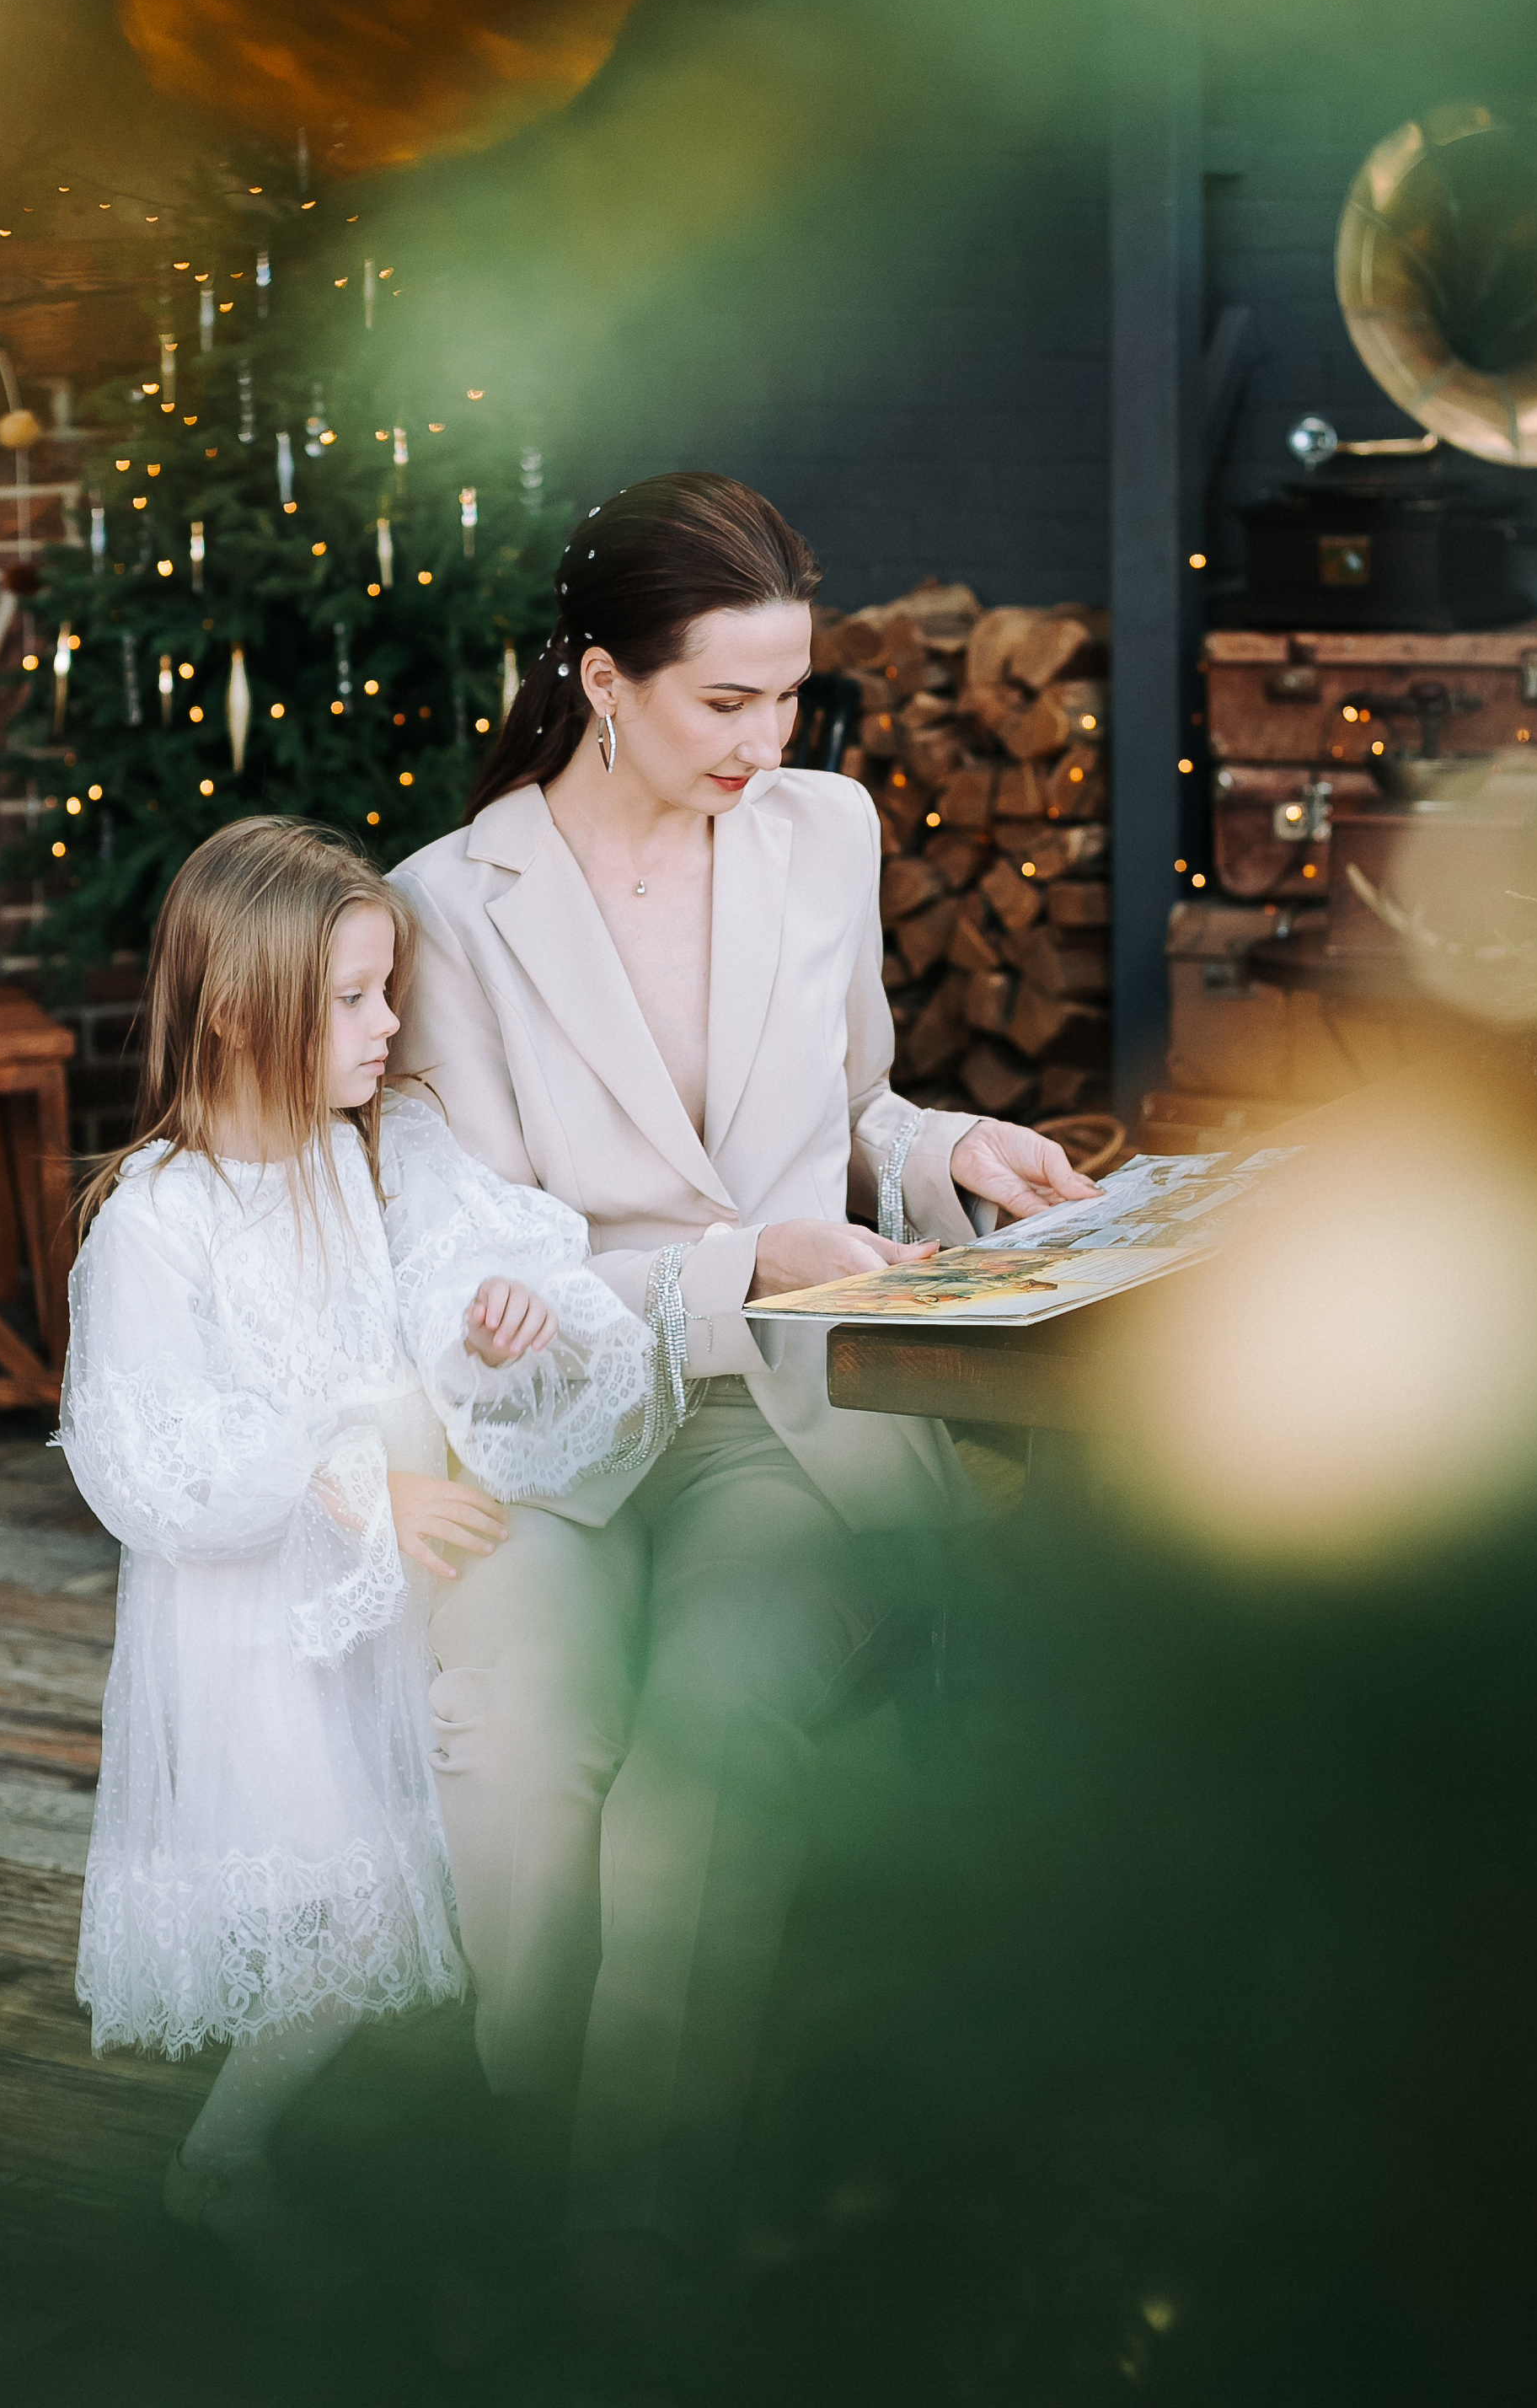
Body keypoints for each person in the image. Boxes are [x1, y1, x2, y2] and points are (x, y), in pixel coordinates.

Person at [389, 472, 1099, 2245]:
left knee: (713, 1739)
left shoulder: (822, 832)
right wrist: (728, 1262)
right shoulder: (445, 910)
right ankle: (502, 2168)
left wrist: (944, 1153)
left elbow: (848, 1109)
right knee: (527, 1736)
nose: (762, 740)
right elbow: (484, 1279)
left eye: (787, 696)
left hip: (787, 1418)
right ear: (599, 679)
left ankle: (642, 2247)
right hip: (549, 1439)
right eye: (724, 699)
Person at [56, 816, 672, 2234]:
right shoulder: (158, 1220)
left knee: (440, 1863)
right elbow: (148, 1451)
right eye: (350, 1001)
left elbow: (465, 1253)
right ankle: (217, 2165)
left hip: (392, 1605)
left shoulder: (377, 1152)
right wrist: (354, 1484)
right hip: (266, 1627)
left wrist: (495, 1312)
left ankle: (454, 2154)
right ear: (234, 1010)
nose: (387, 1026)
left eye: (385, 990)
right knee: (346, 1927)